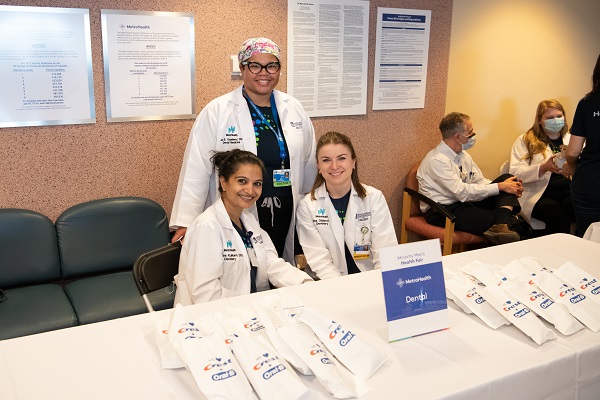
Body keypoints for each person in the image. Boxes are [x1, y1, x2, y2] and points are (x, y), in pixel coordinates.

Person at [170, 37, 317, 265]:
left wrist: (309, 206)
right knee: (241, 272)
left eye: (271, 65)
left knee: (278, 266)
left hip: (286, 210)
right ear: (242, 68)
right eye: (255, 65)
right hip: (238, 211)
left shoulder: (294, 108)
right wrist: (187, 221)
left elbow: (308, 161)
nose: (264, 73)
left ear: (279, 69)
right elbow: (196, 168)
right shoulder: (217, 111)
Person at [174, 149, 312, 305]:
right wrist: (258, 303)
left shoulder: (248, 220)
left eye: (257, 184)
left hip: (247, 311)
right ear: (224, 182)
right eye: (242, 181)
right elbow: (205, 294)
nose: (250, 190)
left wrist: (305, 284)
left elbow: (271, 263)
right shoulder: (206, 227)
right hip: (214, 316)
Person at [296, 132, 398, 279]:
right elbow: (320, 260)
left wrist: (379, 284)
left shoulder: (374, 198)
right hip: (328, 283)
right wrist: (341, 289)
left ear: (353, 162)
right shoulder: (307, 206)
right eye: (326, 160)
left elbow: (385, 250)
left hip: (369, 278)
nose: (334, 166)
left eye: (341, 158)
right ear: (318, 166)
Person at [417, 112, 524, 245]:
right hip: (444, 210)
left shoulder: (463, 155)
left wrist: (507, 187)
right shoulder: (437, 161)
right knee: (516, 224)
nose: (474, 134)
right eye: (470, 131)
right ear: (458, 137)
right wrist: (500, 187)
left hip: (466, 203)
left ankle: (501, 224)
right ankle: (503, 224)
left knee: (508, 178)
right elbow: (462, 193)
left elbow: (479, 181)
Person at [509, 99, 574, 235]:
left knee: (584, 209)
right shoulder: (525, 140)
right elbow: (515, 173)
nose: (555, 120)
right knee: (558, 217)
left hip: (568, 190)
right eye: (550, 118)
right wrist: (543, 167)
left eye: (559, 116)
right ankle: (556, 254)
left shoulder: (572, 140)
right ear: (540, 120)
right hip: (539, 194)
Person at [563, 53, 600, 237]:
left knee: (587, 238)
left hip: (590, 182)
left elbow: (573, 151)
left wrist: (571, 164)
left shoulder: (588, 103)